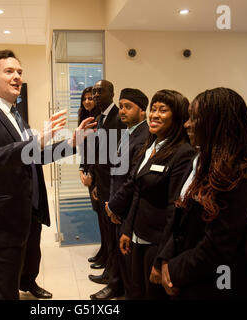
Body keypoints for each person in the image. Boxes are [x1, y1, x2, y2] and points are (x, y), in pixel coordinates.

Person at [0, 49, 95, 300]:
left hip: (22, 217)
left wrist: (72, 143)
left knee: (13, 284)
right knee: (1, 293)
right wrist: (37, 140)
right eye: (9, 71)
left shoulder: (15, 115)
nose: (17, 77)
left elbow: (33, 156)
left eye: (19, 72)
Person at [154, 87, 247, 299]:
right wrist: (164, 260)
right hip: (186, 273)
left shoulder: (237, 175)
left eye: (194, 118)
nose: (186, 124)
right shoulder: (204, 162)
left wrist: (173, 271)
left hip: (213, 283)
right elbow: (179, 219)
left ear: (216, 123)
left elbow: (217, 247)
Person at [116, 89, 195, 299]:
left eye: (163, 110)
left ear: (177, 117)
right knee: (135, 291)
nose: (154, 115)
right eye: (153, 109)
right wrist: (127, 228)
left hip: (157, 241)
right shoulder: (151, 146)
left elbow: (174, 208)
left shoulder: (183, 153)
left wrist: (163, 258)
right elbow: (137, 191)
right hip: (137, 234)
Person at [90, 88, 150, 300]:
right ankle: (117, 287)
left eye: (128, 107)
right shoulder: (128, 132)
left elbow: (133, 179)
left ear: (142, 111)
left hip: (127, 207)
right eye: (121, 106)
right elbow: (116, 170)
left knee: (126, 255)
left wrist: (115, 205)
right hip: (115, 201)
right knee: (118, 251)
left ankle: (122, 290)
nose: (122, 111)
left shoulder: (144, 137)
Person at [87, 80, 126, 289]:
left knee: (112, 233)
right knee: (106, 231)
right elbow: (98, 152)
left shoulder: (118, 118)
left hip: (112, 185)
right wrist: (94, 180)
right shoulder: (99, 118)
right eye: (94, 92)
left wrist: (110, 188)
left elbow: (116, 158)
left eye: (100, 91)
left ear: (112, 93)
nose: (95, 95)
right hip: (101, 183)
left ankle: (113, 277)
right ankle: (108, 270)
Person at [77, 86, 104, 267]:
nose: (87, 101)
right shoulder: (84, 119)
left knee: (103, 214)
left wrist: (91, 176)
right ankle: (104, 250)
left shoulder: (99, 120)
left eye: (91, 98)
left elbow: (100, 152)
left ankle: (106, 252)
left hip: (98, 175)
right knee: (98, 213)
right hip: (88, 172)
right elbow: (83, 149)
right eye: (85, 98)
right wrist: (81, 169)